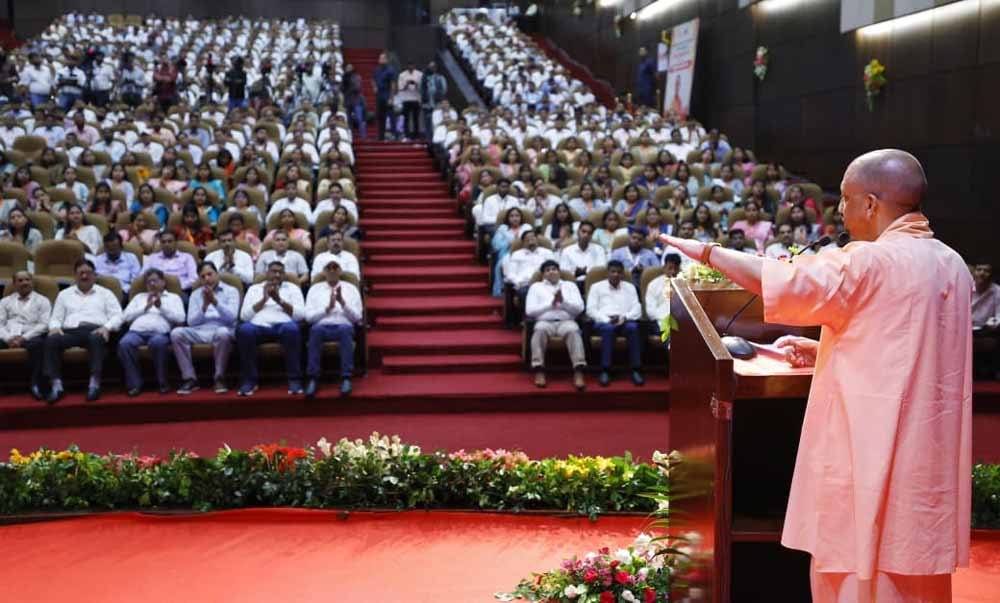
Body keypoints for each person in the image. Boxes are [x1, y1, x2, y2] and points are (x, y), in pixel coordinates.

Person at [661, 149, 972, 602]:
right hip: (925, 458)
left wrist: (709, 252)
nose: (840, 210)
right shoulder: (952, 264)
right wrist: (822, 346)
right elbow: (907, 346)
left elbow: (784, 279)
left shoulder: (869, 261)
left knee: (862, 569)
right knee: (914, 570)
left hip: (871, 454)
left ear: (870, 203)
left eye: (845, 199)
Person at [45, 258, 123, 402]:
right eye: (81, 273)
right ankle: (56, 386)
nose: (84, 276)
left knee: (95, 338)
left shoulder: (106, 293)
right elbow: (55, 317)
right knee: (51, 340)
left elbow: (118, 315)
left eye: (88, 273)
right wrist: (55, 327)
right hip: (70, 332)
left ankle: (94, 384)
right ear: (75, 275)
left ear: (95, 275)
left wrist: (107, 327)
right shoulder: (64, 294)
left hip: (96, 330)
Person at [236, 261, 305, 397]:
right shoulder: (254, 289)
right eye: (274, 271)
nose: (277, 275)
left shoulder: (293, 288)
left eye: (280, 272)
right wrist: (263, 300)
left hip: (283, 325)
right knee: (244, 330)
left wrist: (279, 300)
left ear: (284, 275)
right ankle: (250, 380)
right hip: (258, 325)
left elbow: (300, 315)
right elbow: (244, 316)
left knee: (292, 329)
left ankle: (294, 379)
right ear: (267, 273)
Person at [171, 261, 239, 395]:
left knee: (223, 333)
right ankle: (190, 378)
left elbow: (232, 318)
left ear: (217, 274)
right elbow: (191, 322)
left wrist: (215, 302)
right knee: (176, 333)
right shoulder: (196, 294)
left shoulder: (231, 291)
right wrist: (204, 306)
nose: (207, 279)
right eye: (203, 277)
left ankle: (219, 377)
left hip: (221, 328)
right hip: (199, 330)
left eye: (210, 274)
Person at [118, 268, 185, 396]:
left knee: (157, 343)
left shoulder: (173, 298)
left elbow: (181, 319)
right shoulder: (139, 297)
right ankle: (135, 384)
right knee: (124, 343)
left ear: (163, 282)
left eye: (155, 280)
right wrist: (145, 307)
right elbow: (125, 317)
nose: (152, 284)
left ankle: (163, 383)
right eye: (149, 282)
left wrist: (161, 307)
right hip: (136, 332)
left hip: (160, 333)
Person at [304, 259, 363, 398]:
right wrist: (327, 309)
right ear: (323, 272)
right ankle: (313, 378)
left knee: (345, 330)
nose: (332, 271)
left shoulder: (351, 289)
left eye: (335, 268)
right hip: (321, 326)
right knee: (315, 331)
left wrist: (342, 303)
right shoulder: (314, 289)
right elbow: (308, 317)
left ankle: (346, 377)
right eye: (328, 268)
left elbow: (357, 317)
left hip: (343, 325)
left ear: (340, 271)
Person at [525, 259, 586, 390]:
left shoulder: (570, 286)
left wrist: (563, 302)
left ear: (559, 272)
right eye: (547, 270)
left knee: (574, 331)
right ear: (543, 274)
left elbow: (580, 308)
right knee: (539, 331)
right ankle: (539, 369)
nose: (551, 272)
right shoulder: (536, 287)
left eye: (554, 269)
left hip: (566, 321)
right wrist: (550, 304)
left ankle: (578, 370)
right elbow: (529, 311)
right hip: (544, 322)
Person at [586, 260, 644, 386]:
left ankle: (636, 369)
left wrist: (625, 317)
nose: (616, 274)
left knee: (633, 328)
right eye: (613, 271)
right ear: (607, 273)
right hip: (603, 321)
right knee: (608, 329)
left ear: (622, 274)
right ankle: (606, 370)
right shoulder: (596, 287)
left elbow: (637, 308)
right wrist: (607, 320)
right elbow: (590, 310)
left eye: (619, 272)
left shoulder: (630, 287)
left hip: (624, 320)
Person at [0, 271, 51, 400]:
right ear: (14, 284)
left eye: (27, 280)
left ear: (32, 282)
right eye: (20, 280)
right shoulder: (5, 301)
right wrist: (8, 338)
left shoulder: (42, 300)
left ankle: (36, 383)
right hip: (8, 335)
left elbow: (44, 324)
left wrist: (24, 338)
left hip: (31, 335)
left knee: (39, 345)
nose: (24, 283)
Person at [644, 253, 682, 342]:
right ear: (664, 268)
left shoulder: (684, 285)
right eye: (670, 268)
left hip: (680, 321)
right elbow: (650, 311)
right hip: (660, 321)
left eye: (675, 269)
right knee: (672, 335)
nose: (673, 272)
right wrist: (666, 318)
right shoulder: (654, 285)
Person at [972, 263, 1000, 379]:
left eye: (986, 271)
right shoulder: (966, 287)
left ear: (991, 275)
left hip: (988, 330)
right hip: (967, 330)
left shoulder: (997, 291)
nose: (982, 273)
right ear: (974, 272)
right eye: (979, 270)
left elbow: (999, 315)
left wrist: (993, 323)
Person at [559, 220, 607, 286]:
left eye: (589, 233)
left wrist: (584, 272)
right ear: (578, 232)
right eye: (583, 231)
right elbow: (564, 272)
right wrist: (575, 273)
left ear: (591, 235)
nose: (586, 235)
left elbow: (601, 269)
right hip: (572, 284)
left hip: (593, 283)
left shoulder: (599, 249)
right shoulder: (567, 251)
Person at [373, 52, 397, 141]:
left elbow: (393, 84)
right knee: (380, 117)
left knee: (391, 116)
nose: (381, 60)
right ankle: (381, 136)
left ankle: (394, 134)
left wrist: (391, 98)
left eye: (383, 58)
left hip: (387, 94)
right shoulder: (376, 70)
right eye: (380, 58)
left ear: (386, 60)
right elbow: (373, 80)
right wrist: (374, 87)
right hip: (379, 95)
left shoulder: (390, 70)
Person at [420, 62, 447, 140]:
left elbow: (444, 89)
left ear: (436, 68)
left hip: (437, 104)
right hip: (427, 104)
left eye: (433, 67)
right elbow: (421, 89)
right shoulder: (424, 78)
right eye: (430, 67)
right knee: (427, 122)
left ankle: (436, 138)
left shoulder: (440, 77)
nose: (431, 68)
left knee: (437, 122)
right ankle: (428, 138)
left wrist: (439, 97)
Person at [396, 62, 422, 140]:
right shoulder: (402, 75)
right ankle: (406, 135)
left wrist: (416, 84)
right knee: (406, 118)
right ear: (407, 66)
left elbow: (422, 88)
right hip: (406, 99)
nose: (411, 67)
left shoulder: (420, 74)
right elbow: (400, 88)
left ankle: (416, 135)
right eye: (409, 65)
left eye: (412, 65)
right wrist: (406, 84)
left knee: (416, 118)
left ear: (414, 66)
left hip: (416, 99)